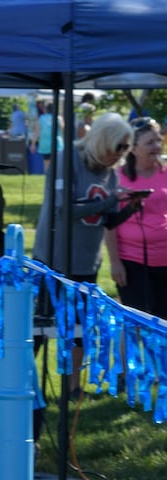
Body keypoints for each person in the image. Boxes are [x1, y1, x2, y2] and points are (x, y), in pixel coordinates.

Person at [34, 112, 142, 395]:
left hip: (86, 261)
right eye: (117, 146)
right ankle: (19, 384)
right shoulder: (66, 158)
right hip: (53, 259)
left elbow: (107, 220)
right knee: (39, 329)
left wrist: (129, 207)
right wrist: (109, 201)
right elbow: (64, 210)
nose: (119, 154)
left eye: (124, 149)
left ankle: (73, 387)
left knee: (80, 328)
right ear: (102, 140)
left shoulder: (110, 172)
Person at [107, 118, 167, 319]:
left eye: (159, 140)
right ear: (133, 148)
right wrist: (115, 262)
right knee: (134, 324)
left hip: (165, 259)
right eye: (150, 142)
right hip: (132, 261)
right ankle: (125, 353)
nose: (157, 146)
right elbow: (110, 224)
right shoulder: (117, 177)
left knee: (163, 326)